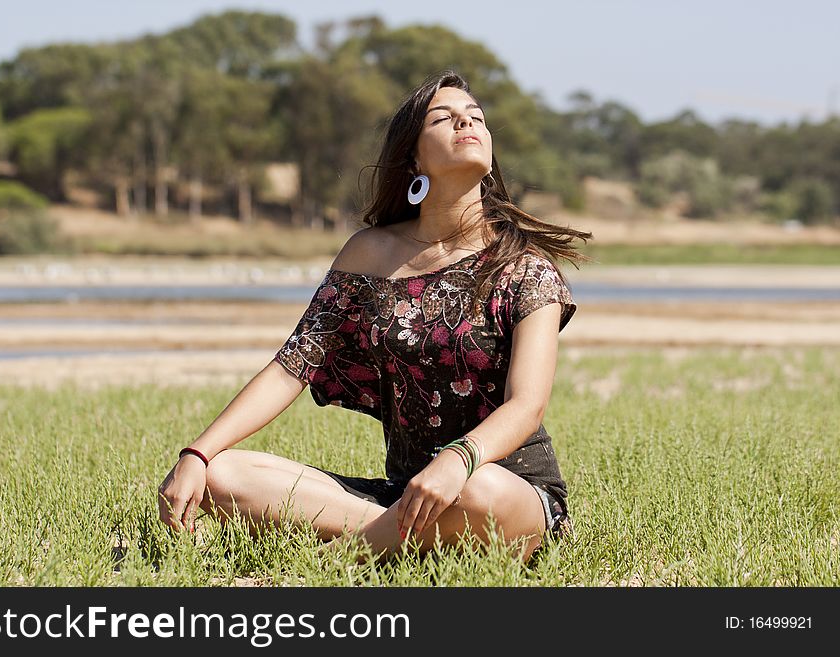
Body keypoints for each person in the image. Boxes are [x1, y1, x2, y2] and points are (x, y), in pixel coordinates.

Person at [158, 69, 592, 564]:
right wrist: (196, 453)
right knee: (222, 476)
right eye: (444, 118)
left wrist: (458, 459)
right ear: (413, 156)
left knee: (478, 492)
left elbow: (527, 405)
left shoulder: (524, 266)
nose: (466, 124)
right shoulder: (370, 254)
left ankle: (340, 561)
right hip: (405, 496)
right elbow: (292, 366)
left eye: (476, 117)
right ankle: (401, 542)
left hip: (507, 493)